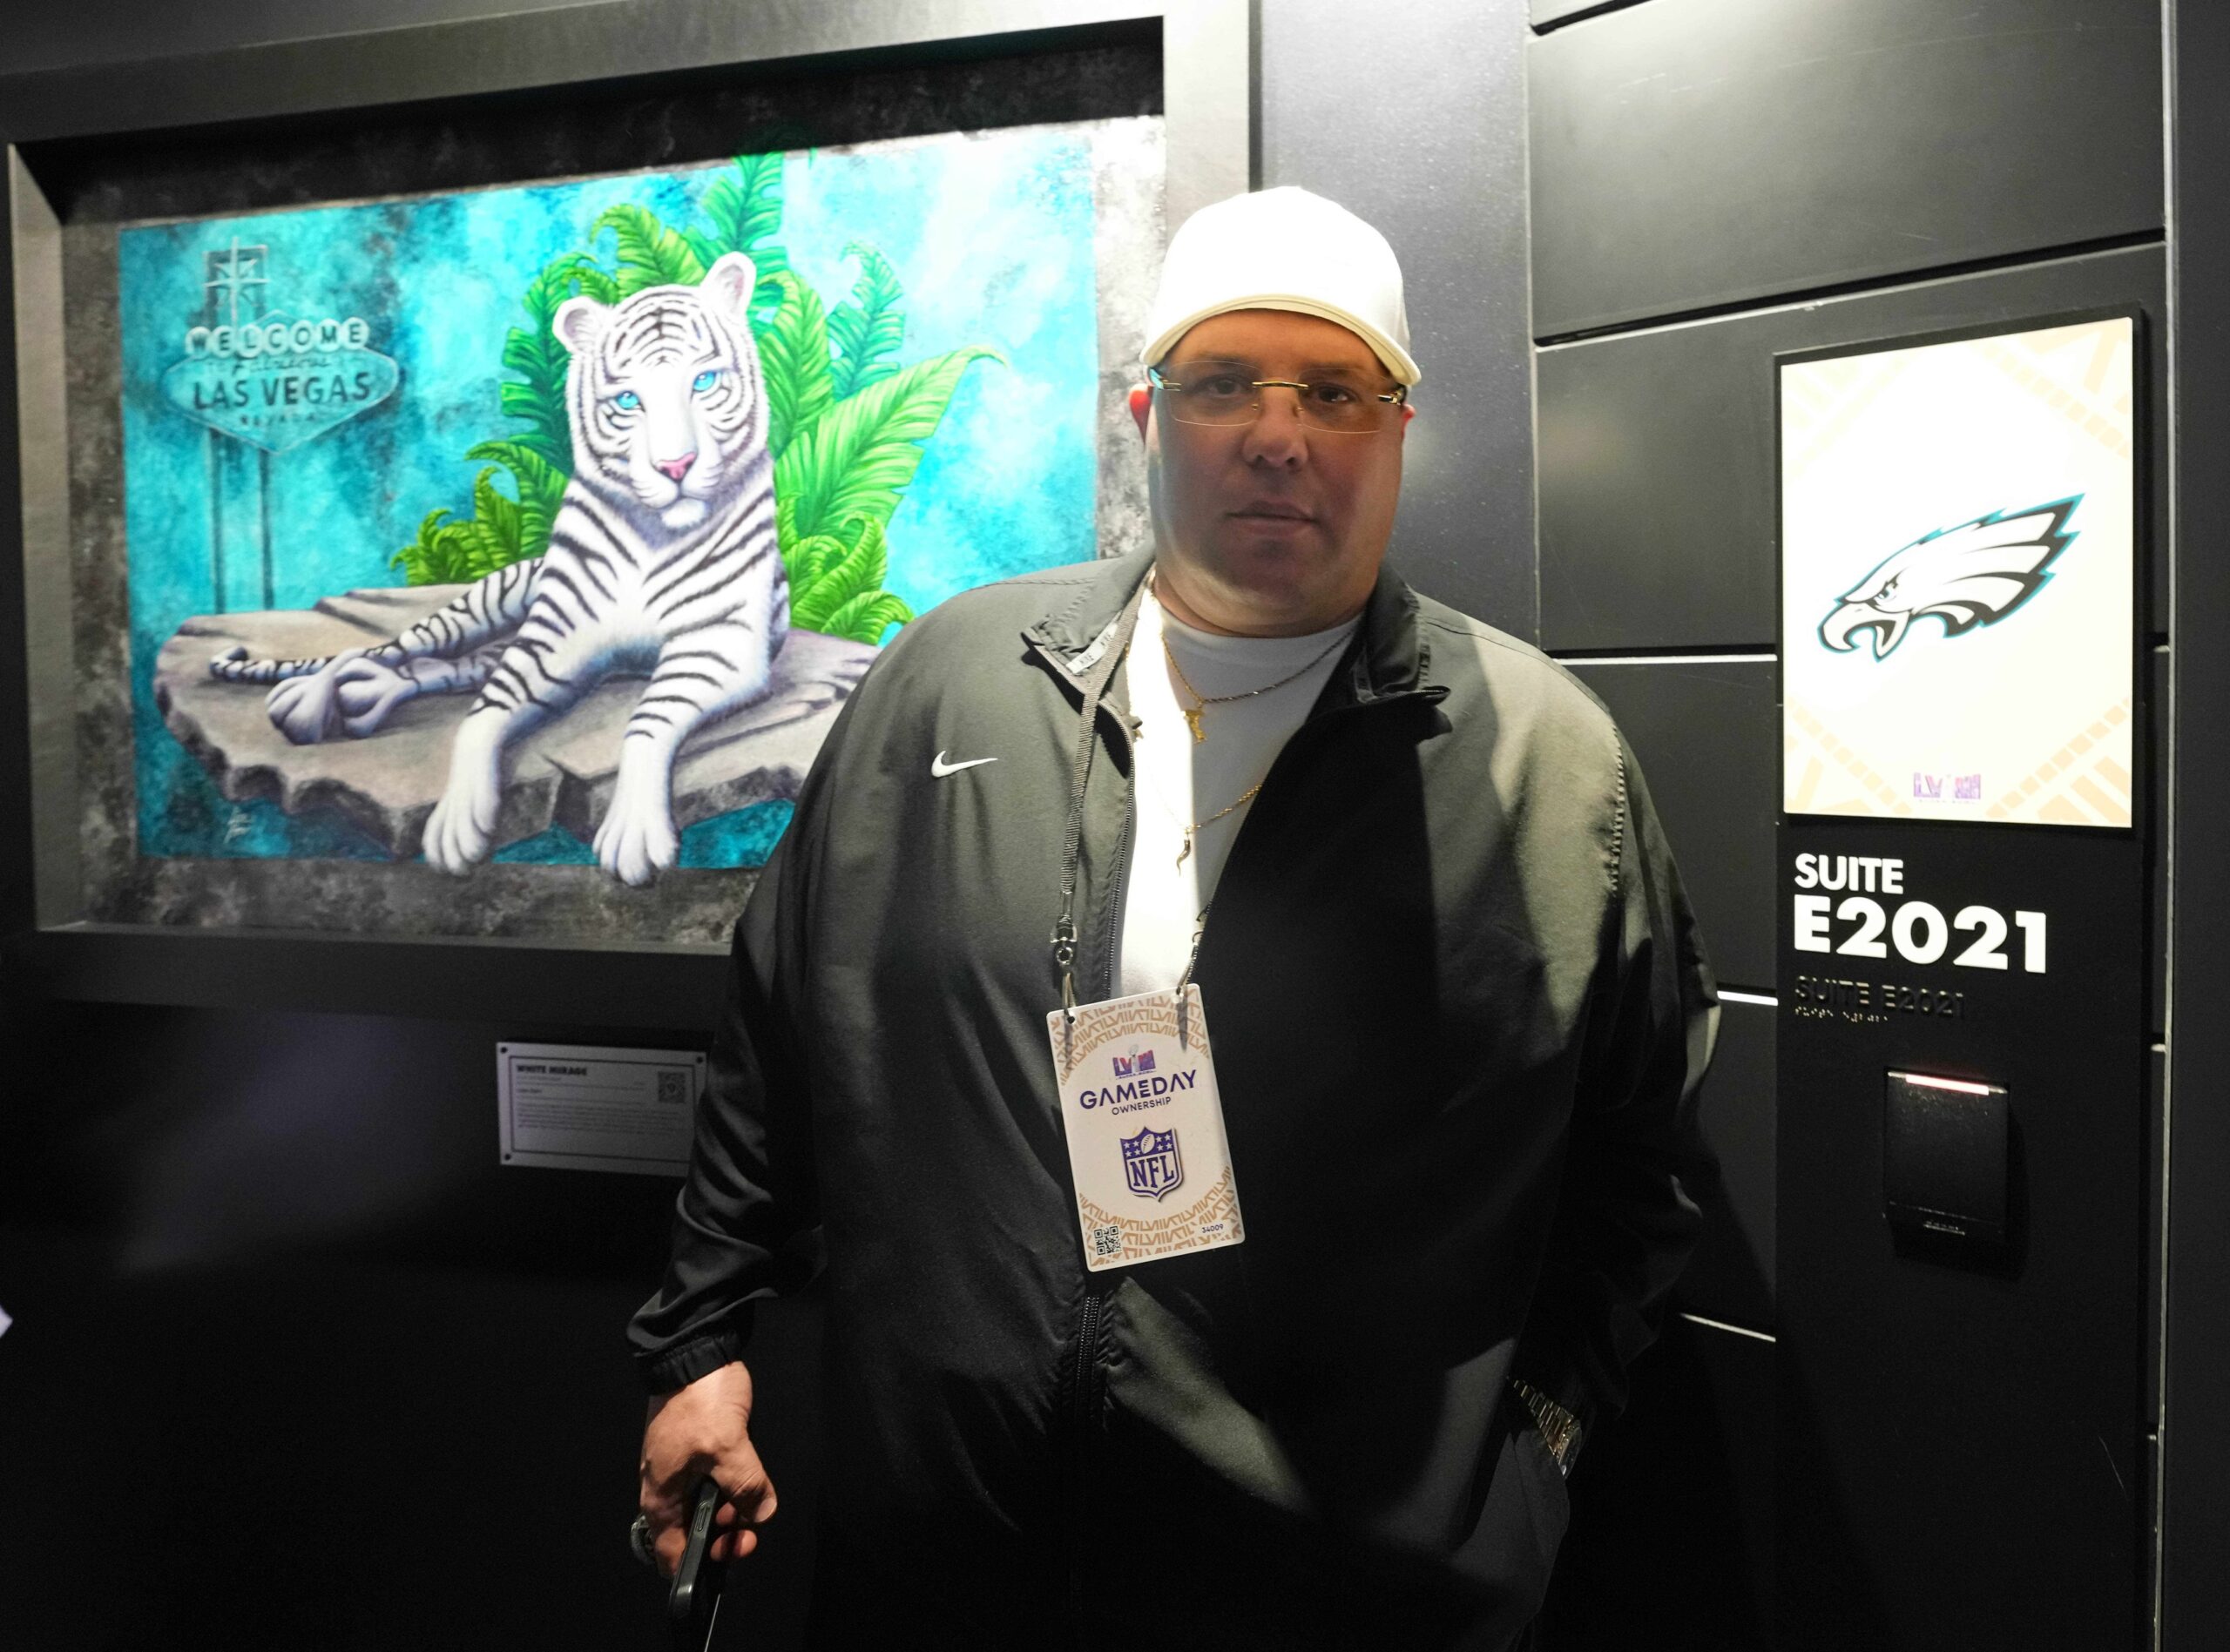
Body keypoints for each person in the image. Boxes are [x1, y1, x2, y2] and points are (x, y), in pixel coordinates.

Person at [627, 185, 1719, 1650]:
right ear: (1149, 411)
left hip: (1333, 1602)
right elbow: (773, 1033)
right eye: (1222, 383)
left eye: (1334, 389)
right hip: (945, 1578)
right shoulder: (949, 685)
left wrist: (1537, 1448)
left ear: (1399, 427)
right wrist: (700, 1339)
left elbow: (1640, 1166)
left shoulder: (1543, 765)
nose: (1278, 433)